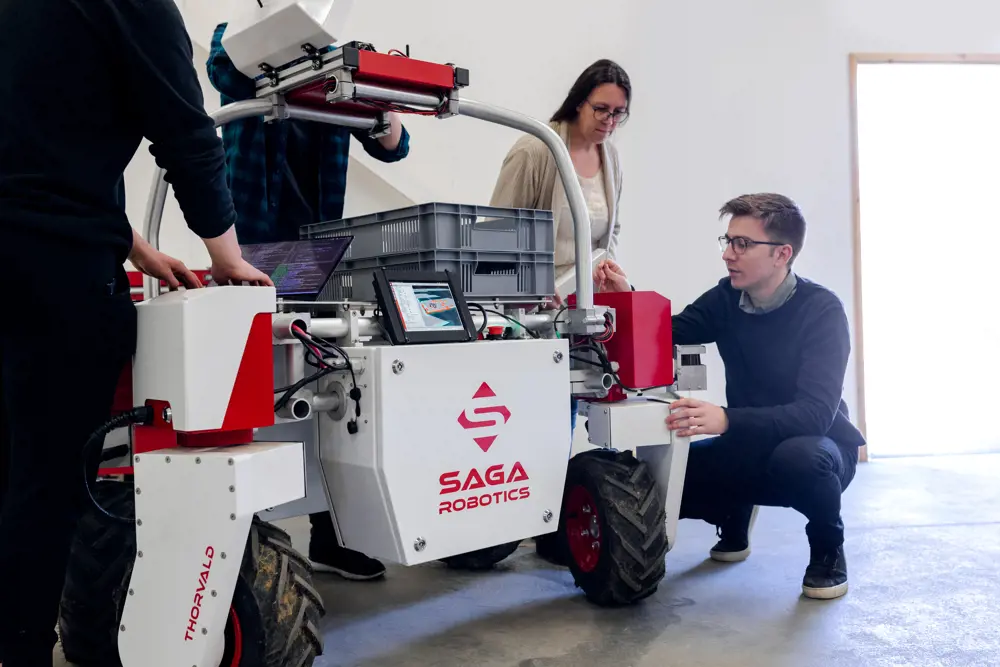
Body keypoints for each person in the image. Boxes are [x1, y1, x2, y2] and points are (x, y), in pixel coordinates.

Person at [0, 0, 273, 665]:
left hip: (27, 252)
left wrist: (137, 248)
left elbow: (39, 149)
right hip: (54, 275)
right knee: (46, 481)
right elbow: (185, 133)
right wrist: (228, 256)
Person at [207, 22, 411, 581]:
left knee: (326, 391)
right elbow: (222, 70)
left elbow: (395, 146)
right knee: (245, 395)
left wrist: (379, 106)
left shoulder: (343, 59)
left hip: (316, 251)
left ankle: (328, 536)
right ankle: (239, 539)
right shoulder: (235, 38)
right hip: (247, 247)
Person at [595, 193, 864, 600]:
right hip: (747, 439)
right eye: (728, 241)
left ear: (782, 254)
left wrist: (725, 419)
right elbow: (670, 330)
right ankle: (734, 519)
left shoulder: (822, 311)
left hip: (817, 445)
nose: (728, 255)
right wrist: (627, 292)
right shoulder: (727, 299)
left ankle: (828, 551)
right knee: (661, 485)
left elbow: (814, 415)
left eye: (743, 244)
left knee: (799, 460)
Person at [489, 58, 630, 563]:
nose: (609, 121)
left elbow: (607, 238)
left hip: (582, 309)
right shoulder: (535, 150)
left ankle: (551, 522)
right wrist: (534, 292)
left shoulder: (610, 159)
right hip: (533, 314)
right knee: (533, 418)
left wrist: (607, 270)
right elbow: (498, 236)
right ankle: (519, 518)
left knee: (567, 416)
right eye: (601, 109)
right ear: (577, 101)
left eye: (619, 113)